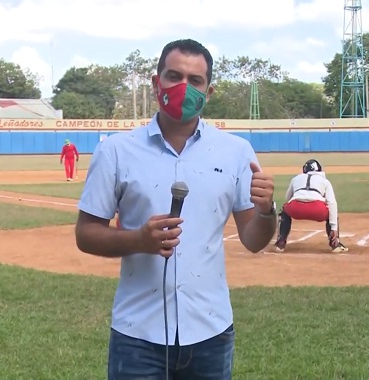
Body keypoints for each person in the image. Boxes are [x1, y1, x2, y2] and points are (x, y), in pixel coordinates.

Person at [74, 39, 277, 380]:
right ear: (157, 83)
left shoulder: (236, 152)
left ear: (208, 92)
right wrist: (139, 239)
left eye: (195, 80)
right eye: (174, 76)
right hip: (137, 333)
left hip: (210, 331)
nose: (184, 87)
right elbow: (86, 233)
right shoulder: (117, 151)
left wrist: (267, 211)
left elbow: (254, 240)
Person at [274, 159, 348, 253]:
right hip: (317, 209)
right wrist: (333, 228)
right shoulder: (325, 181)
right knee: (331, 211)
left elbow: (287, 197)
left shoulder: (296, 178)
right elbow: (332, 203)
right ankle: (335, 244)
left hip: (296, 207)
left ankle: (281, 242)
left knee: (284, 211)